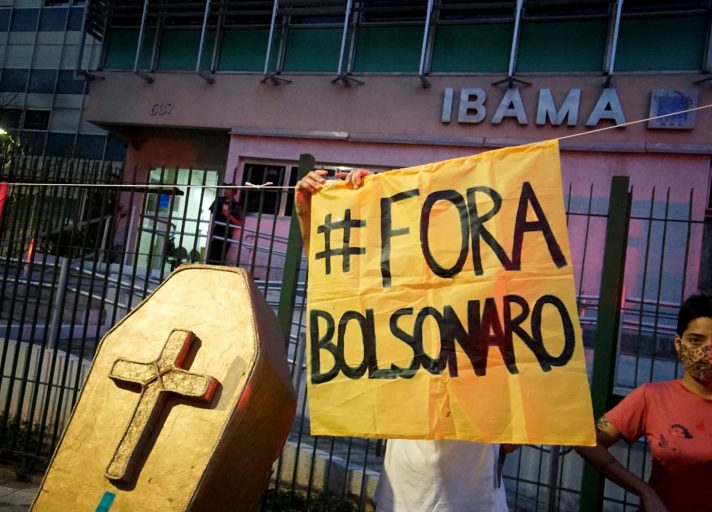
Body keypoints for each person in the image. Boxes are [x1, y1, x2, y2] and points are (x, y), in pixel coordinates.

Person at [295, 168, 511, 512]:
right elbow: (338, 282)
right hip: (402, 498)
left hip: (473, 501)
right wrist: (318, 212)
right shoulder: (403, 318)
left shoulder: (495, 330)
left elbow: (514, 438)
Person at [576, 293, 712, 512]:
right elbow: (588, 443)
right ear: (679, 344)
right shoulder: (653, 397)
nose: (707, 352)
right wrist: (645, 491)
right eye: (696, 340)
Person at [207, 182, 243, 264]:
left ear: (234, 193)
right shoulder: (219, 200)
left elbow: (239, 223)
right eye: (225, 188)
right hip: (215, 231)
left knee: (220, 257)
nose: (225, 191)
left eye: (228, 189)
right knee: (211, 255)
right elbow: (212, 215)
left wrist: (228, 215)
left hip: (226, 234)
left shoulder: (236, 205)